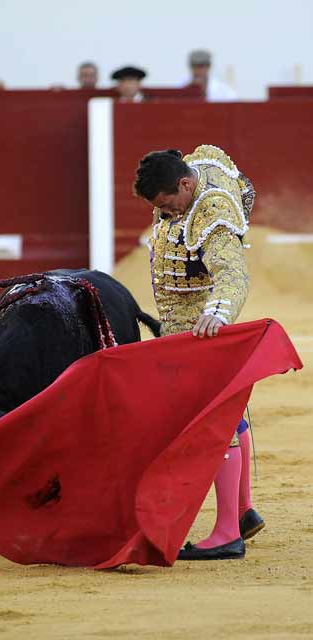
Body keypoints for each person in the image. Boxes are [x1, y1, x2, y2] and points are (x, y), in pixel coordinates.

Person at [133, 144, 264, 560]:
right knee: (228, 417)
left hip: (200, 330)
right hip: (182, 325)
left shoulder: (212, 213)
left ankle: (227, 534)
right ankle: (242, 512)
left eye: (167, 203)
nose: (165, 212)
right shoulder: (191, 178)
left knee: (210, 425)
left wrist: (218, 312)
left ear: (185, 184)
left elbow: (232, 273)